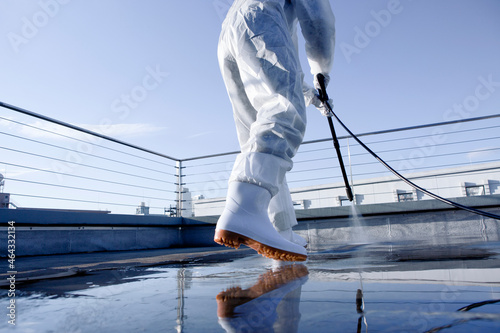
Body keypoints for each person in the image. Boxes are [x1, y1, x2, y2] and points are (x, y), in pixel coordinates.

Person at [214, 0, 336, 261]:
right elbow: (318, 19)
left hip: (230, 31)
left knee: (254, 132)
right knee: (283, 111)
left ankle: (279, 229)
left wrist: (314, 97)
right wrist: (322, 72)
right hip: (259, 17)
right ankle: (244, 208)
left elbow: (283, 61)